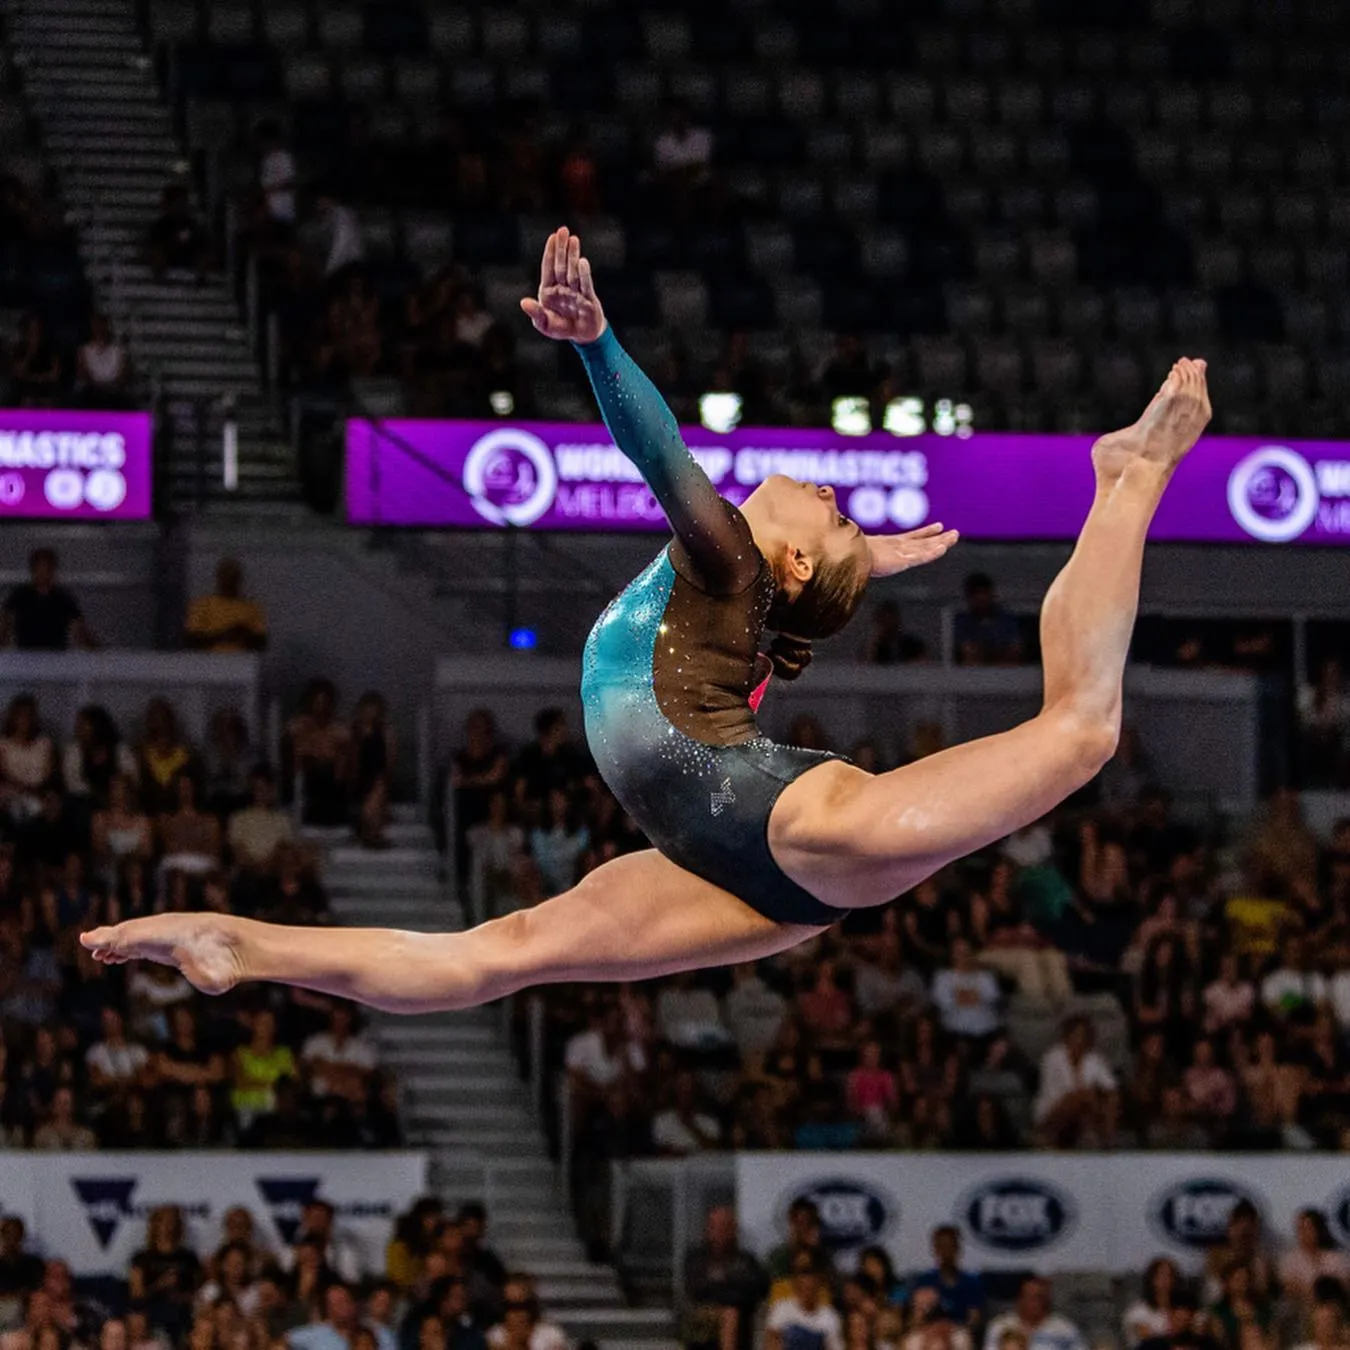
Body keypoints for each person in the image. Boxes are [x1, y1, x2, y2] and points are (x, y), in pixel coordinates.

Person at [81, 230, 1215, 1027]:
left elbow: (654, 446)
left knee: (1082, 734)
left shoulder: (726, 550)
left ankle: (1132, 474)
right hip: (731, 861)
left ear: (788, 557)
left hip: (800, 833)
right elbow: (752, 619)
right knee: (500, 957)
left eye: (834, 514)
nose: (825, 490)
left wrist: (596, 344)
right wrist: (857, 562)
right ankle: (239, 945)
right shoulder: (741, 598)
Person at [681, 1205, 767, 1350]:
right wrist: (731, 1284)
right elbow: (697, 1289)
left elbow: (755, 1290)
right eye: (715, 1226)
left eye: (725, 1226)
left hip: (739, 1322)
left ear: (733, 1230)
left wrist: (720, 1285)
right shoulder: (695, 1259)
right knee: (727, 1314)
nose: (719, 1232)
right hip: (704, 1318)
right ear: (708, 1229)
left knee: (731, 1313)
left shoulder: (746, 1260)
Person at [1033, 1015, 1119, 1148]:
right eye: (1076, 1034)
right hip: (1054, 1109)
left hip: (1086, 1110)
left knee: (1109, 1100)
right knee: (1081, 1098)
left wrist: (1100, 1100)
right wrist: (1087, 1096)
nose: (1080, 1039)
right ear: (1067, 1035)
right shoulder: (1053, 1057)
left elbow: (1110, 1088)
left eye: (1084, 1035)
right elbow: (1054, 1093)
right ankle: (1047, 1138)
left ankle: (1108, 1141)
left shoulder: (1095, 1058)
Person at [1, 549, 95, 650]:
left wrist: (99, 653)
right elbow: (4, 625)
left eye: (48, 569)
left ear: (54, 570)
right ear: (33, 570)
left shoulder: (63, 598)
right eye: (40, 568)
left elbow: (80, 630)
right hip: (26, 655)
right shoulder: (19, 595)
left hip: (56, 655)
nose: (44, 573)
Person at [185, 559, 268, 653]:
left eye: (232, 578)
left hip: (243, 662)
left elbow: (261, 642)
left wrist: (243, 634)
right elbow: (191, 640)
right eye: (226, 577)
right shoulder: (203, 605)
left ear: (238, 580)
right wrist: (223, 635)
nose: (229, 581)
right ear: (219, 578)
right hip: (210, 662)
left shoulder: (251, 608)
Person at [911, 1228, 985, 1332]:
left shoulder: (971, 1283)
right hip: (930, 1334)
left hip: (960, 1335)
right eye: (942, 1247)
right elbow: (917, 1319)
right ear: (935, 1249)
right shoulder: (925, 1282)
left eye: (950, 1246)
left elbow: (974, 1319)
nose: (946, 1252)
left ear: (958, 1248)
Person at [765, 1253, 844, 1350]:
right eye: (800, 1288)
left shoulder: (830, 1317)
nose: (804, 1293)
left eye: (809, 1288)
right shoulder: (781, 1308)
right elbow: (772, 1342)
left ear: (818, 1286)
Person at [983, 1278, 1084, 1350]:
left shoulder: (1064, 1328)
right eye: (1030, 1297)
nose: (1036, 1303)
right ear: (1020, 1299)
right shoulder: (1000, 1326)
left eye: (1039, 1297)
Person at [954, 573, 1023, 666]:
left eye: (984, 593)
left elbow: (1015, 648)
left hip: (1005, 671)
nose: (982, 598)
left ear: (991, 594)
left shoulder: (1006, 619)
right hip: (973, 673)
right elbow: (967, 650)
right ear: (969, 598)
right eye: (977, 594)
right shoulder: (962, 621)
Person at [76, 312, 132, 408]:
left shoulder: (119, 351)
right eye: (96, 325)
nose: (99, 329)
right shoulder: (84, 350)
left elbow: (123, 375)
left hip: (114, 391)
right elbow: (82, 373)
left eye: (102, 325)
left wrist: (110, 386)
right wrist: (96, 385)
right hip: (92, 390)